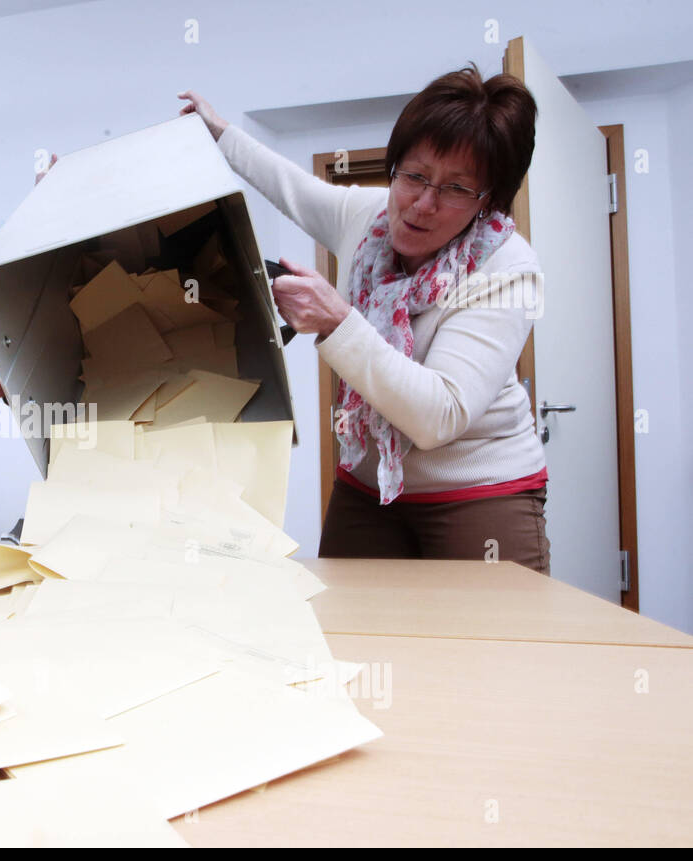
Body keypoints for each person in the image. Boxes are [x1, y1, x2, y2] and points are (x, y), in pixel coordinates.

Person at [179, 66, 549, 571]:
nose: (422, 203)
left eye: (456, 189)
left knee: (491, 647)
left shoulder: (506, 268)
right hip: (371, 486)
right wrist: (220, 134)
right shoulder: (369, 217)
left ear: (488, 203)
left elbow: (438, 416)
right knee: (351, 637)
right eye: (414, 175)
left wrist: (338, 322)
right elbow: (292, 188)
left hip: (479, 491)